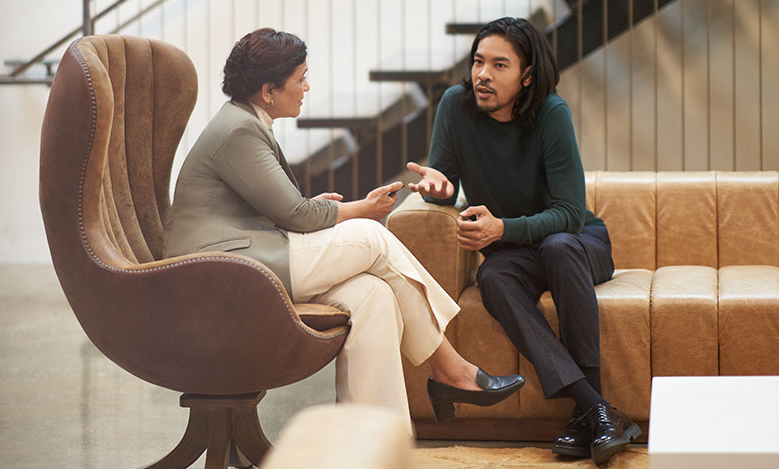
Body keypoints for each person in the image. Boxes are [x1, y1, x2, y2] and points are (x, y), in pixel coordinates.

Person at [163, 27, 524, 434]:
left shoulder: (244, 123)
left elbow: (282, 210)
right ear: (268, 90)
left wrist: (328, 208)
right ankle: (451, 369)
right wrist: (364, 210)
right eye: (300, 78)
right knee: (373, 235)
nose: (307, 86)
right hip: (223, 273)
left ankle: (371, 446)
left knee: (375, 295)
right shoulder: (240, 131)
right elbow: (297, 215)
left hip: (250, 257)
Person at [407, 17, 640, 464]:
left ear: (526, 75)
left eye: (499, 65)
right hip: (513, 255)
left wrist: (503, 229)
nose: (483, 75)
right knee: (492, 277)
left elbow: (570, 215)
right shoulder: (455, 107)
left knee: (557, 247)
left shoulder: (552, 113)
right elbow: (448, 183)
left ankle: (587, 410)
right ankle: (596, 409)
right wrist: (440, 192)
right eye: (478, 62)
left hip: (578, 242)